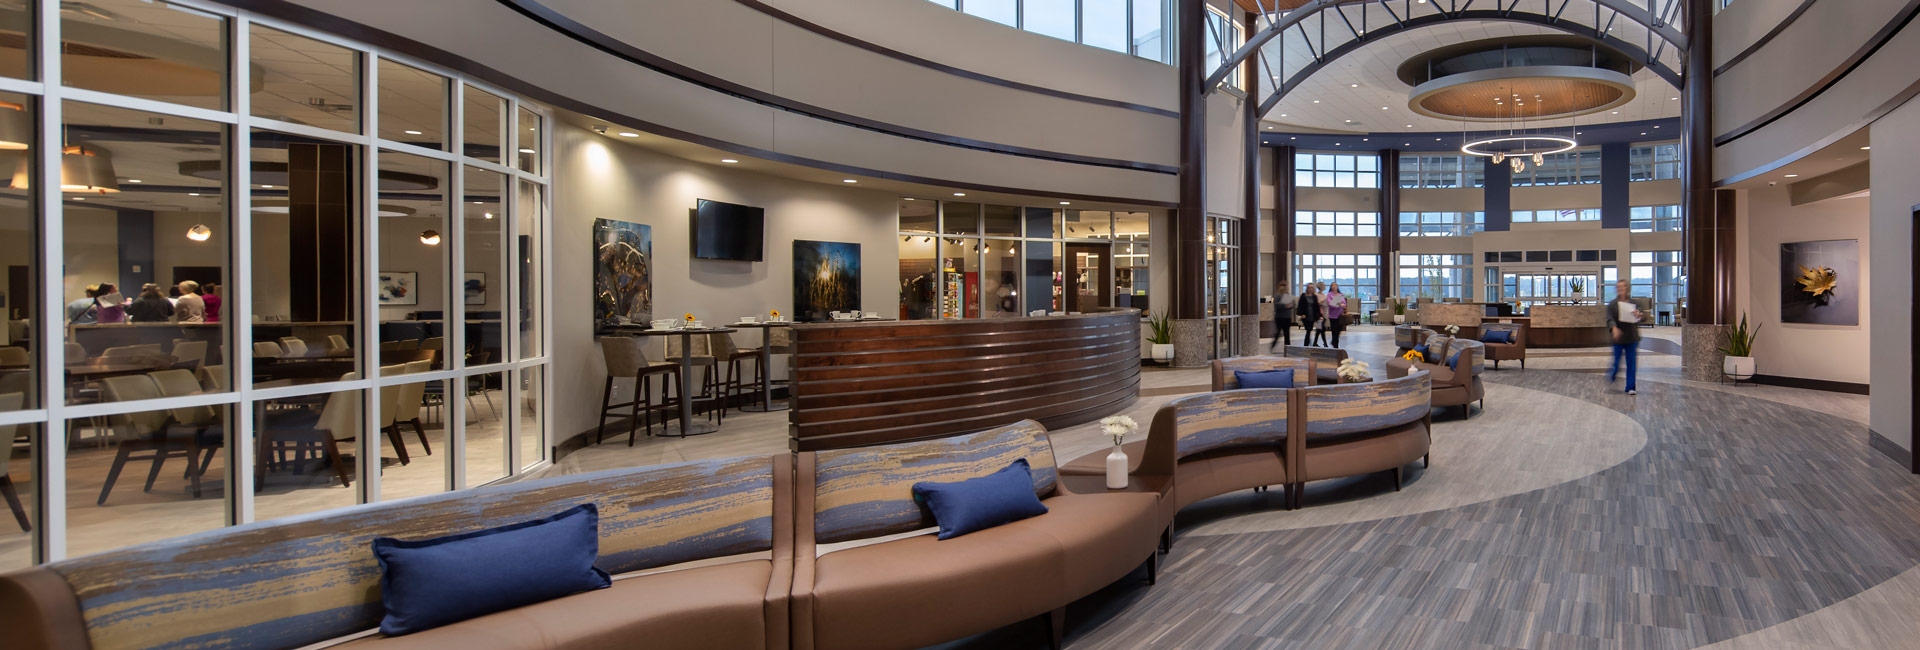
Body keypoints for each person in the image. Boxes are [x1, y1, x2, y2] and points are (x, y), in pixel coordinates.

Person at [1607, 279, 1642, 395]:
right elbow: (1609, 318)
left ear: (1627, 288)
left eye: (1622, 287)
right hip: (1618, 338)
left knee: (1631, 363)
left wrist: (1639, 315)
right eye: (1618, 287)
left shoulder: (1634, 303)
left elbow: (1643, 316)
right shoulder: (1613, 304)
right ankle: (1613, 373)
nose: (1620, 289)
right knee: (1616, 362)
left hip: (1631, 337)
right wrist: (1614, 328)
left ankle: (1630, 387)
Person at [1270, 283, 1296, 352]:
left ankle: (1288, 349)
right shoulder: (1277, 295)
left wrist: (1291, 304)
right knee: (1278, 333)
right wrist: (1285, 306)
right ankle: (1272, 346)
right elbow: (1276, 305)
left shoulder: (1288, 296)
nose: (1287, 289)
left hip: (1287, 317)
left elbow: (1292, 305)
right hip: (1279, 317)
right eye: (1286, 287)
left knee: (1287, 334)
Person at [1297, 283, 1323, 347]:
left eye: (1312, 287)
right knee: (1308, 330)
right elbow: (1300, 306)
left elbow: (1317, 307)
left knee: (1309, 330)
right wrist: (1301, 314)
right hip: (1305, 316)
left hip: (1312, 315)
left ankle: (1308, 344)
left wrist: (1320, 316)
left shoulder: (1314, 296)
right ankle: (1306, 345)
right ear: (1307, 288)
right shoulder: (1303, 296)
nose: (1310, 289)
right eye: (1309, 287)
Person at [1324, 282, 1347, 348]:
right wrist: (1338, 305)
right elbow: (1330, 304)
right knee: (1334, 331)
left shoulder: (1340, 294)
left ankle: (1334, 341)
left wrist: (1339, 305)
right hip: (1333, 316)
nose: (1334, 286)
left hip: (1340, 315)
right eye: (1333, 285)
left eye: (1335, 285)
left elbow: (1344, 304)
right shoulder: (1329, 295)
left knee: (1339, 330)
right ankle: (1335, 345)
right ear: (1331, 287)